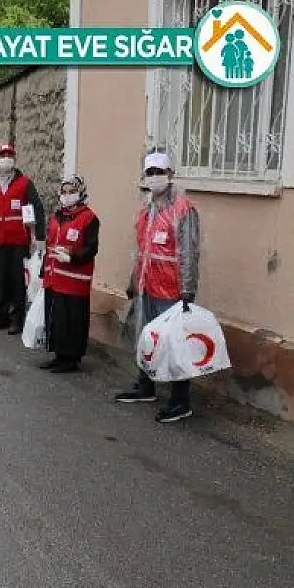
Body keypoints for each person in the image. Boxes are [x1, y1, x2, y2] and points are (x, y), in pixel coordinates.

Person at [115, 151, 201, 423]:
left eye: (159, 172)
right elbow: (140, 250)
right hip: (146, 286)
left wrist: (187, 290)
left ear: (171, 174)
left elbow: (189, 252)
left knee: (175, 344)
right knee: (146, 338)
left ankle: (180, 400)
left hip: (172, 290)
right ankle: (145, 385)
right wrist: (132, 282)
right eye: (150, 173)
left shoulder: (183, 209)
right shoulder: (146, 210)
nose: (155, 178)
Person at [0, 143, 45, 335]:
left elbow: (37, 208)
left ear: (14, 159)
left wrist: (39, 236)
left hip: (18, 240)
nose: (5, 158)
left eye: (9, 155)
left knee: (17, 280)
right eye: (3, 155)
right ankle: (1, 316)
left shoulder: (24, 183)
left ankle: (17, 318)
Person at [39, 175, 100, 373]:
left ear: (80, 192)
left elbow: (91, 248)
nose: (67, 196)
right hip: (55, 277)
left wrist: (73, 256)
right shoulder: (57, 215)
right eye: (63, 192)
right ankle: (58, 354)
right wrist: (43, 269)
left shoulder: (89, 217)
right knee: (56, 317)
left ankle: (71, 358)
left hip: (75, 280)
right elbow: (50, 243)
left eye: (71, 191)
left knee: (72, 319)